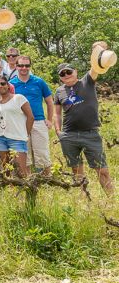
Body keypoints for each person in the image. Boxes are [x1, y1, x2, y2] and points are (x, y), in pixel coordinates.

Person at [53, 60, 114, 195]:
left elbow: (95, 67)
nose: (66, 75)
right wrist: (58, 131)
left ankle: (112, 200)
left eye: (69, 71)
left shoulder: (87, 81)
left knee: (102, 170)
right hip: (69, 135)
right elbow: (57, 113)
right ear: (60, 77)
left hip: (90, 134)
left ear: (76, 72)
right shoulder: (59, 91)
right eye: (62, 74)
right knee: (76, 170)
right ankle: (83, 199)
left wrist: (99, 50)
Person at [9, 55, 53, 174]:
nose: (24, 68)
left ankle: (47, 182)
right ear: (16, 66)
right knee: (24, 155)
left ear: (30, 66)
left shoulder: (39, 81)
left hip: (38, 121)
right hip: (20, 123)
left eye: (27, 65)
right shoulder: (11, 84)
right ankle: (27, 183)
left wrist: (49, 120)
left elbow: (49, 101)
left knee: (42, 154)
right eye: (21, 65)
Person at [0, 76, 34, 177]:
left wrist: (25, 134)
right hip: (1, 138)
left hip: (17, 138)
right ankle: (10, 191)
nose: (0, 86)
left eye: (2, 83)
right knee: (6, 170)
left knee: (21, 171)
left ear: (8, 85)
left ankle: (27, 191)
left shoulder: (18, 98)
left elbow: (30, 117)